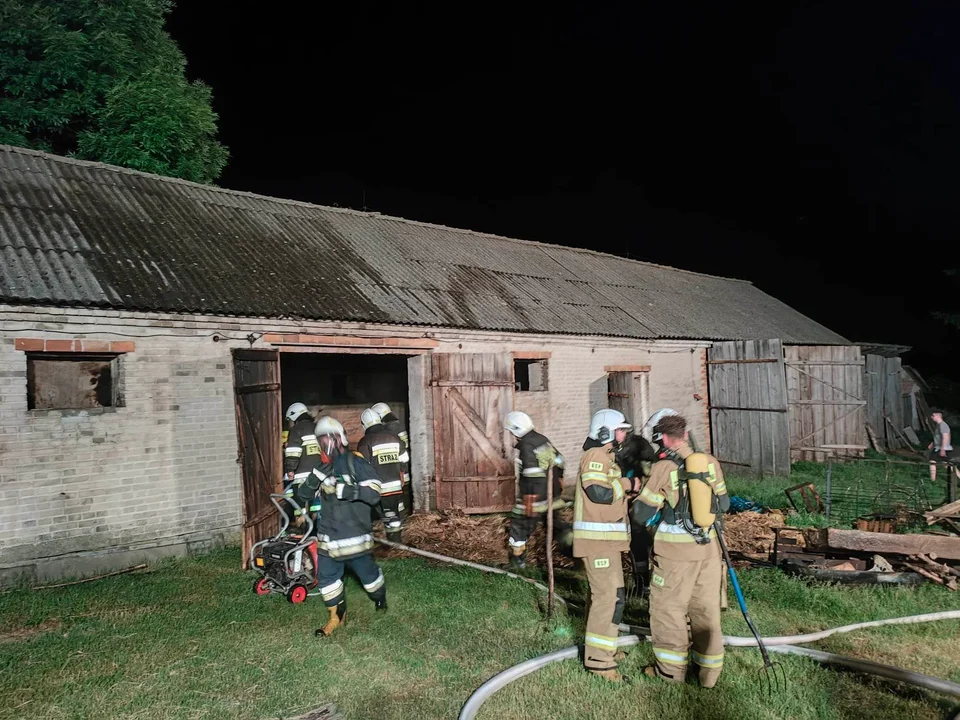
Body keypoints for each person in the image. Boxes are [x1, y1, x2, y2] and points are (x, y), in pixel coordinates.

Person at [629, 413, 730, 688]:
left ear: (662, 439)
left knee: (668, 611)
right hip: (709, 552)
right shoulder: (710, 463)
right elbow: (724, 503)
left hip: (675, 555)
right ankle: (709, 676)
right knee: (706, 611)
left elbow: (641, 512)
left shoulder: (664, 469)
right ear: (685, 435)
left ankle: (670, 672)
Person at [291, 416, 387, 638]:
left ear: (338, 438)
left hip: (354, 539)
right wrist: (315, 478)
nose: (323, 445)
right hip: (328, 540)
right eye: (319, 440)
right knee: (327, 579)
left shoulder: (357, 463)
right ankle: (336, 617)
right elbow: (303, 495)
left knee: (369, 577)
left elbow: (374, 494)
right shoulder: (322, 467)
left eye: (326, 439)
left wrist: (349, 491)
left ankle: (379, 596)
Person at [573, 408, 635, 682]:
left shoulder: (607, 457)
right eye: (620, 429)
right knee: (606, 599)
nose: (624, 434)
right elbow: (598, 492)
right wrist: (628, 484)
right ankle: (599, 663)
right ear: (604, 432)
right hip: (597, 542)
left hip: (607, 542)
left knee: (613, 597)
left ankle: (604, 647)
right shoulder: (595, 456)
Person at [503, 411, 571, 570]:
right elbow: (560, 460)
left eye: (511, 432)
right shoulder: (542, 440)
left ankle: (517, 562)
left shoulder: (526, 446)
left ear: (516, 430)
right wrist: (559, 480)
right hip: (552, 496)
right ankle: (575, 550)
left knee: (519, 527)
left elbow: (531, 475)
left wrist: (529, 498)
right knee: (556, 526)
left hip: (534, 499)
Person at [358, 407, 408, 543]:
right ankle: (396, 543)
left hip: (378, 487)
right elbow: (404, 458)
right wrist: (401, 473)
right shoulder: (393, 436)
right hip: (396, 485)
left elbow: (362, 466)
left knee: (376, 515)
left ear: (364, 425)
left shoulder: (365, 441)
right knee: (393, 514)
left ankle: (378, 544)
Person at [371, 402, 412, 507]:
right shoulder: (398, 425)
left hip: (398, 468)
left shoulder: (389, 429)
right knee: (401, 497)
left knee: (397, 499)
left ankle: (398, 518)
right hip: (404, 466)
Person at [927, 410, 958, 482]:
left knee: (935, 462)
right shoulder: (938, 425)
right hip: (938, 448)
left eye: (933, 416)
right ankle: (933, 480)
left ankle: (933, 480)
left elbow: (945, 437)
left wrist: (943, 449)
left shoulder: (943, 425)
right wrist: (933, 443)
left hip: (943, 449)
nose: (931, 417)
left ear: (938, 416)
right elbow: (939, 437)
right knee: (939, 463)